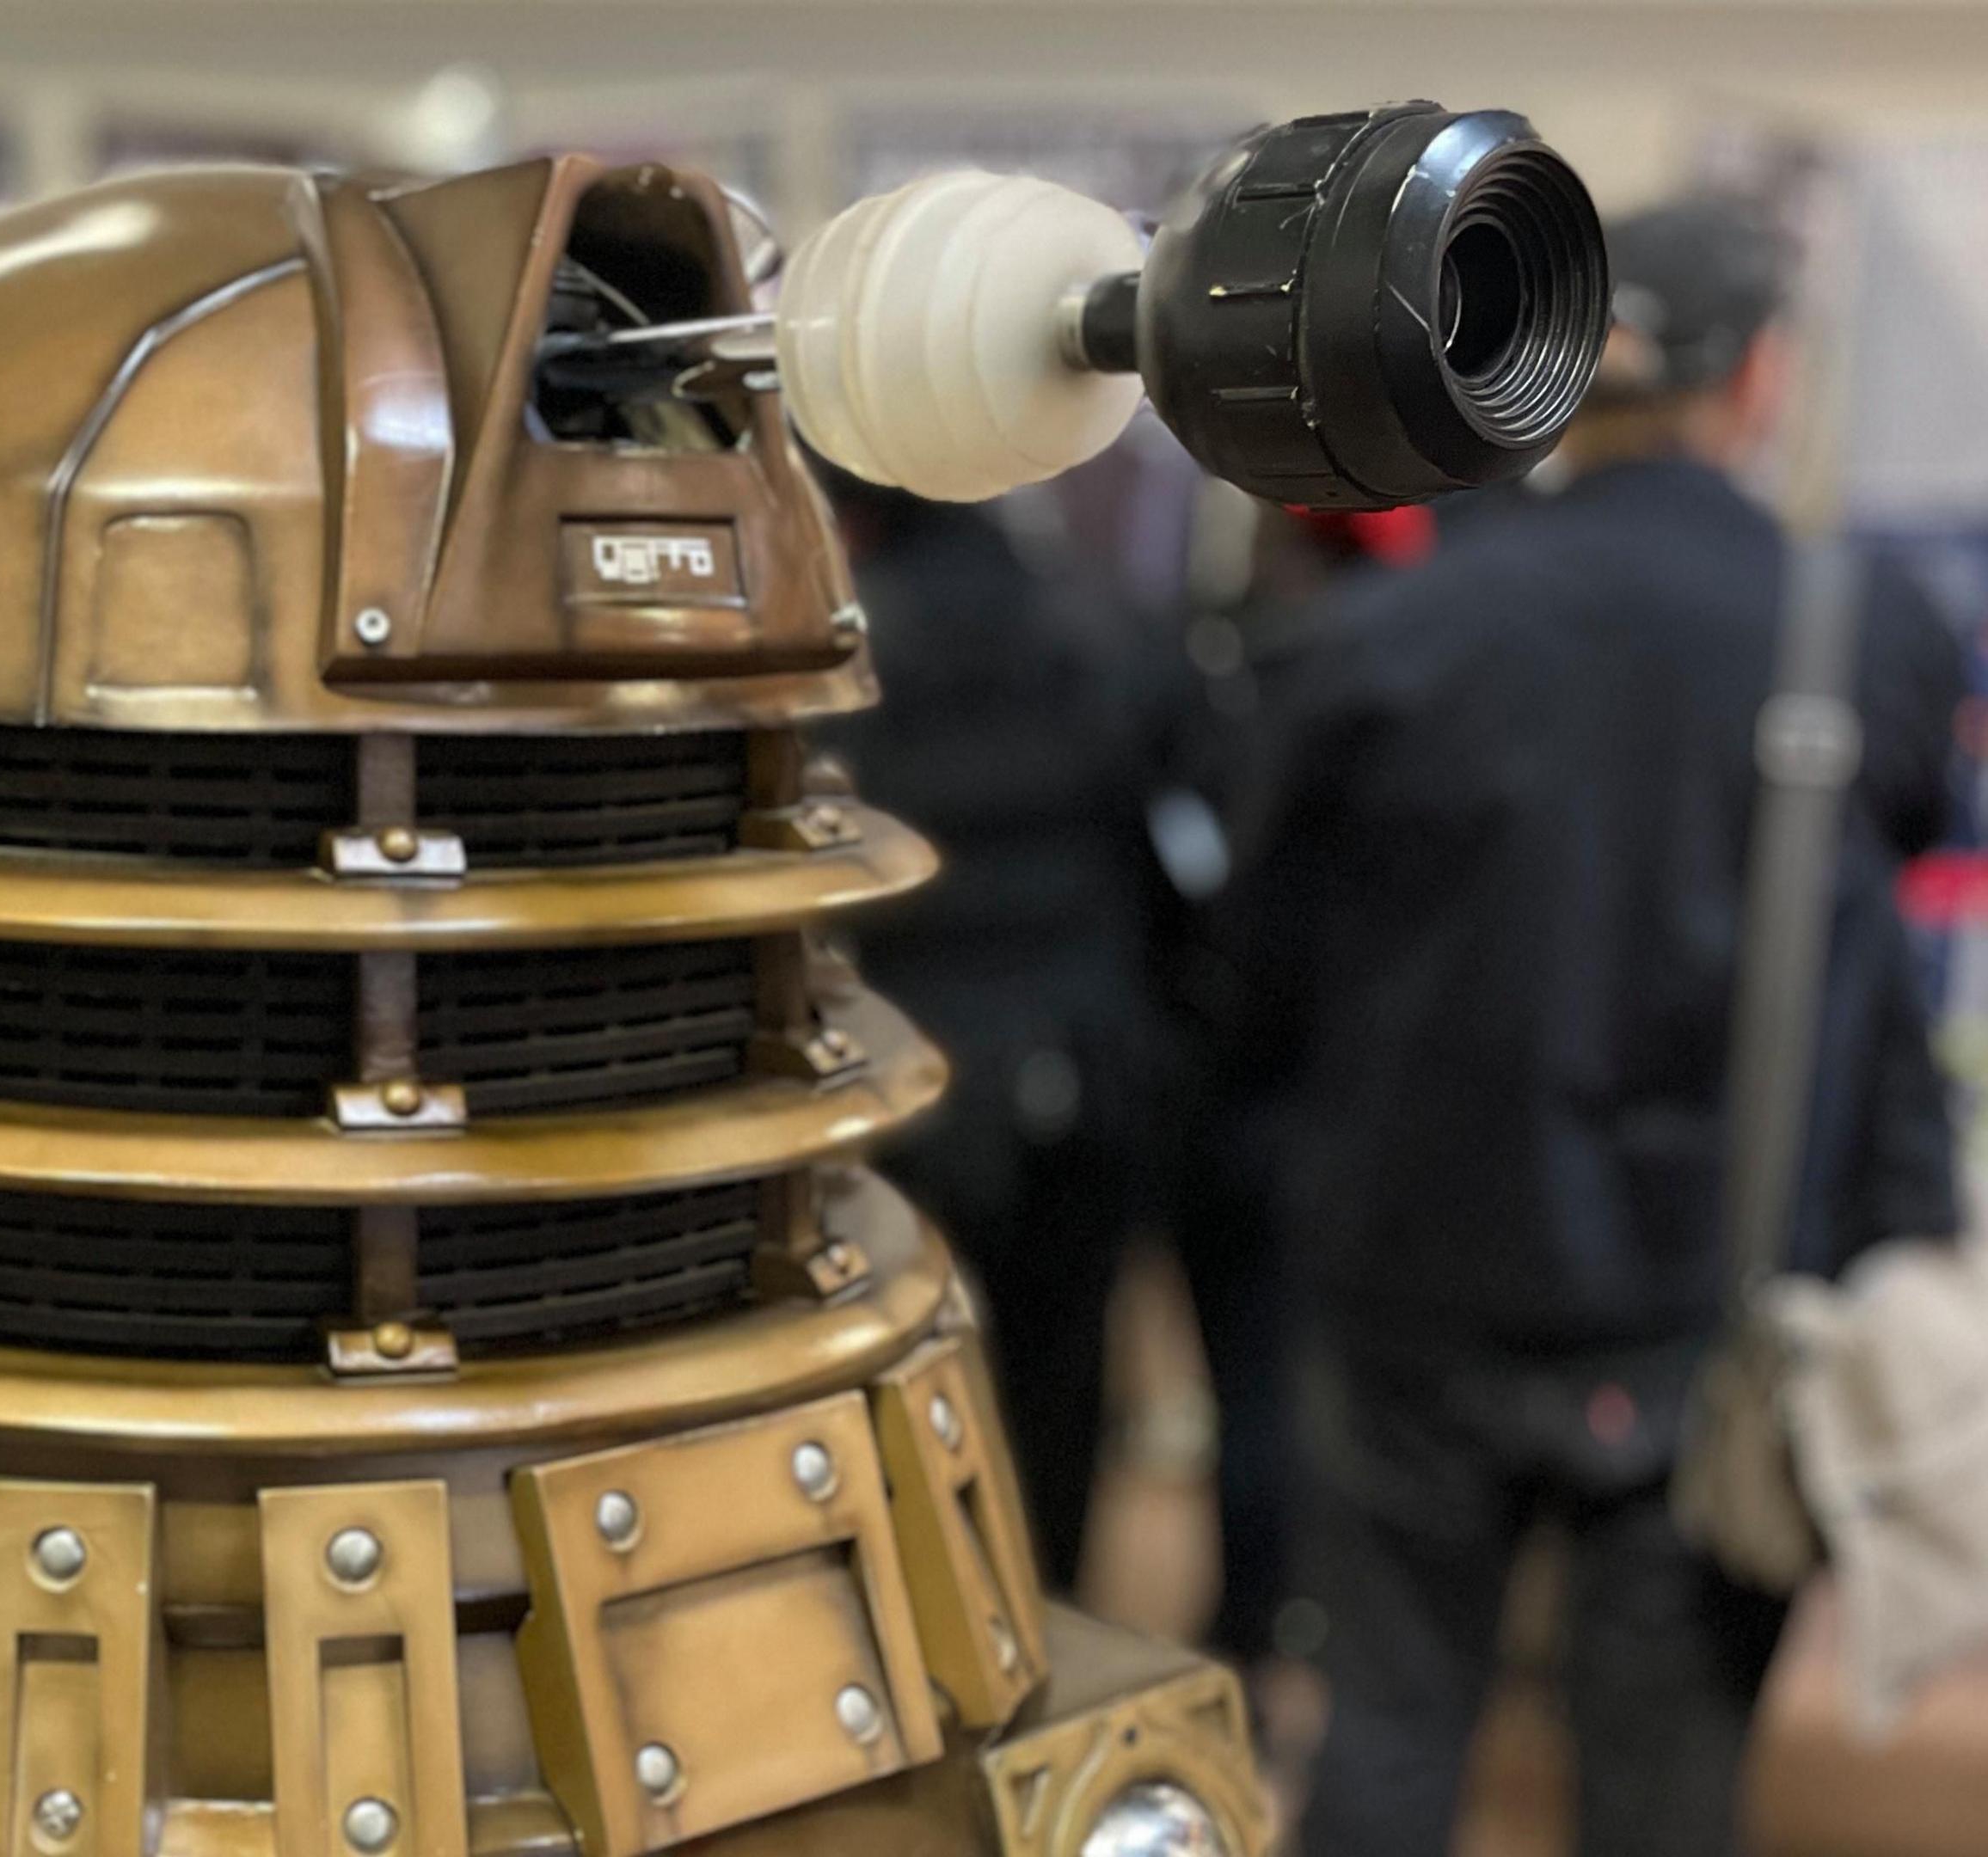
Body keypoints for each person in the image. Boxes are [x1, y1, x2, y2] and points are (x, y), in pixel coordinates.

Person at [1224, 199, 1966, 1855]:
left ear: (1543, 383)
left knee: (1393, 1731)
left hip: (1410, 1280)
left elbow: (1257, 980)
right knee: (1667, 1773)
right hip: (1715, 1295)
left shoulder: (1384, 636)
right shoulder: (1867, 634)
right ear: (1765, 378)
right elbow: (1871, 942)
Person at [813, 471, 1180, 1589]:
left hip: (905, 1094)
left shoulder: (844, 656)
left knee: (892, 1390)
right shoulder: (1096, 621)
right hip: (1081, 1071)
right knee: (1059, 1386)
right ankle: (1044, 1613)